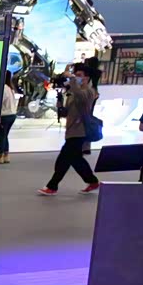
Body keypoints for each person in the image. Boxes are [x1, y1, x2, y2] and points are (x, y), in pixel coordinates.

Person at [38, 64, 100, 196]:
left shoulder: (89, 92)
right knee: (76, 160)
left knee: (63, 160)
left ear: (87, 78)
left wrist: (71, 79)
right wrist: (60, 105)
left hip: (80, 131)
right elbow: (67, 112)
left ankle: (52, 186)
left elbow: (81, 97)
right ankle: (92, 181)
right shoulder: (72, 92)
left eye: (79, 75)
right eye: (75, 75)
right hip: (71, 130)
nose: (76, 77)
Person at [0, 71, 17, 164]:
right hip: (12, 114)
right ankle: (6, 155)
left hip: (5, 115)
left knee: (2, 136)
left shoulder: (3, 88)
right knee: (5, 135)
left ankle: (0, 156)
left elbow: (0, 102)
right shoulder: (10, 88)